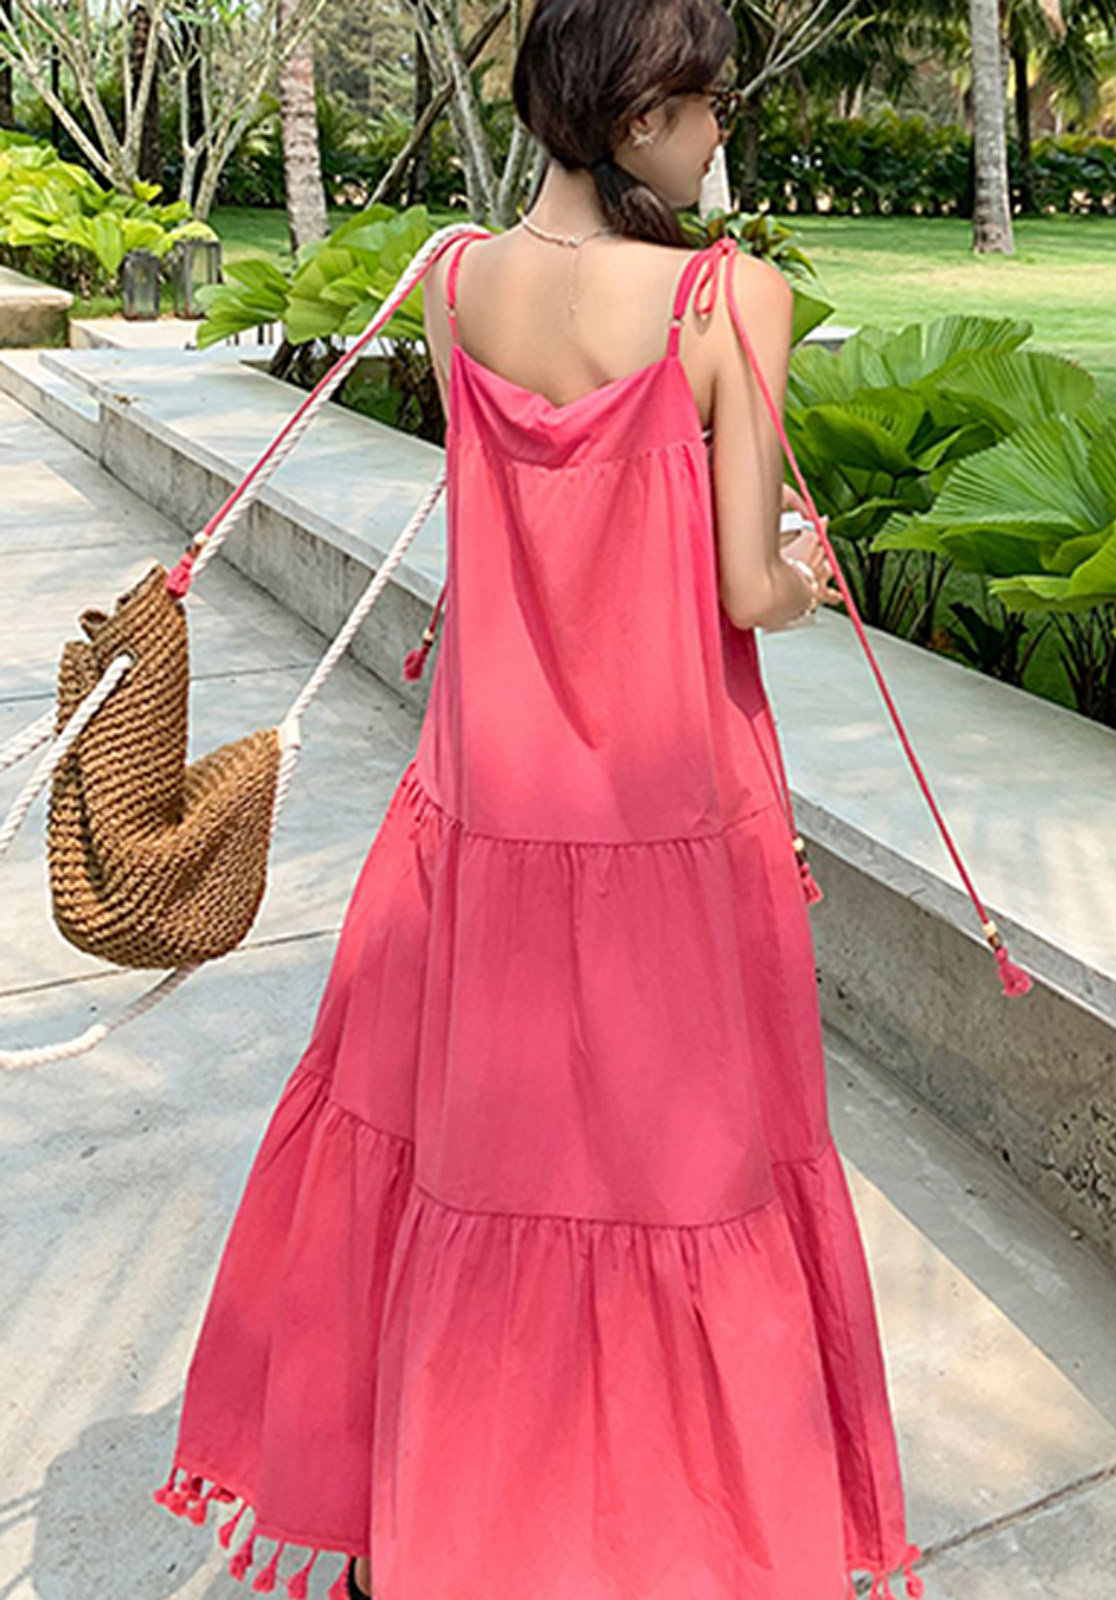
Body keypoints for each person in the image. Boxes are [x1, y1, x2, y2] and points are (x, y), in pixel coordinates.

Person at [150, 2, 928, 1598]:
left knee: (471, 1168)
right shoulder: (728, 300)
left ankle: (449, 1525)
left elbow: (516, 524)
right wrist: (806, 571)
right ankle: (673, 1543)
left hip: (482, 808)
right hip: (670, 821)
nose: (720, 135)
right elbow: (742, 586)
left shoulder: (455, 282)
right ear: (640, 114)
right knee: (676, 1180)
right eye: (710, 104)